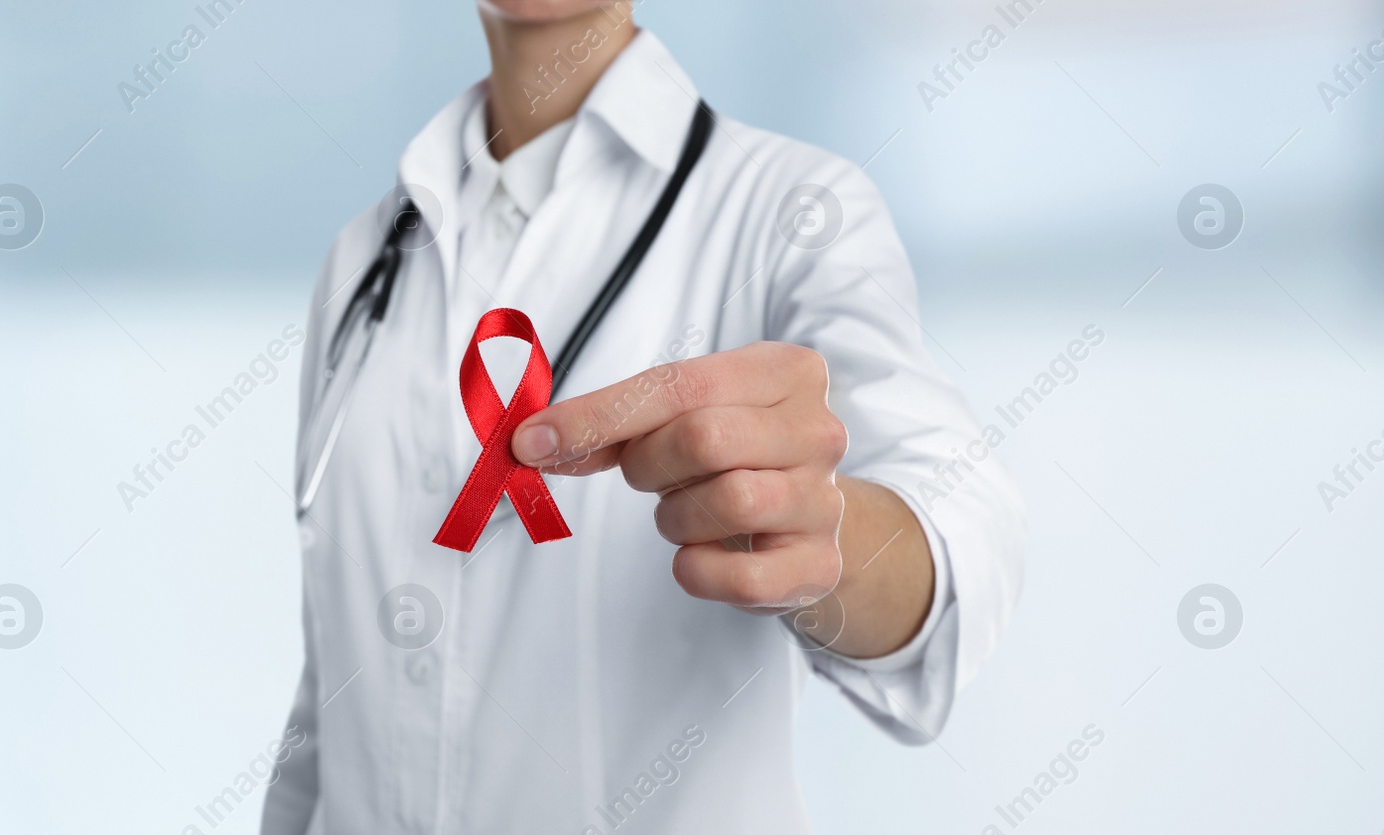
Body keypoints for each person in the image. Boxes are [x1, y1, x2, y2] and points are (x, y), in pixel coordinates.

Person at [260, 1, 1024, 832]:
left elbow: (962, 532)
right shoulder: (366, 258)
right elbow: (331, 689)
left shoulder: (791, 209)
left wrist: (830, 539)